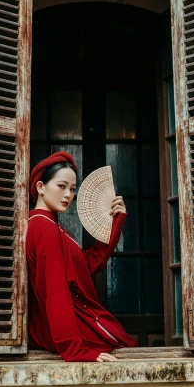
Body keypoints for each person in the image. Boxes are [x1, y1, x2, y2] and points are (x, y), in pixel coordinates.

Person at [26, 151, 137, 362]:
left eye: (72, 189)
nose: (68, 194)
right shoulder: (43, 227)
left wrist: (116, 222)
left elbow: (86, 264)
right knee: (125, 347)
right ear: (41, 187)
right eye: (61, 186)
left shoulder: (51, 226)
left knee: (126, 346)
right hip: (69, 327)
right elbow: (54, 291)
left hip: (73, 321)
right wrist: (75, 350)